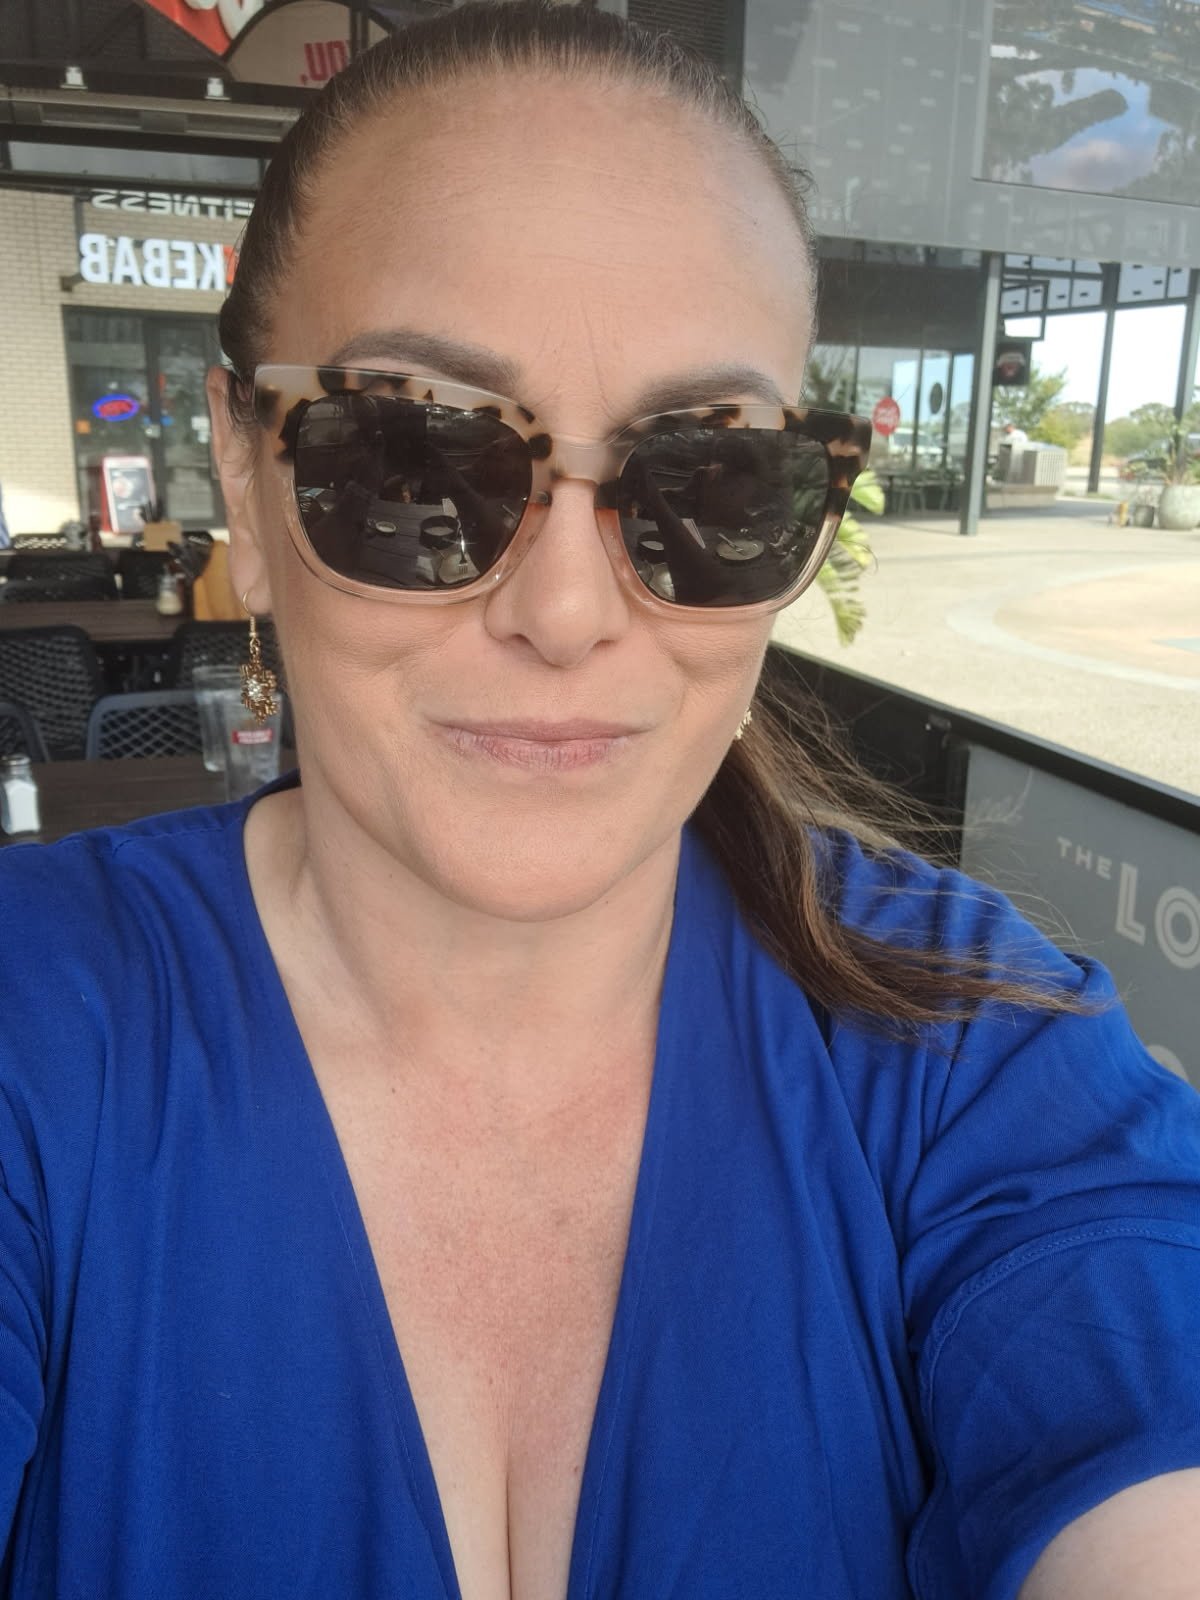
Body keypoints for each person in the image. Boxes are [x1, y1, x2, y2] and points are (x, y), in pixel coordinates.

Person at [0, 5, 1198, 1597]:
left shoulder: (981, 1050)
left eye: (709, 483)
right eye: (415, 459)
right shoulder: (37, 1025)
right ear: (244, 462)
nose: (565, 613)